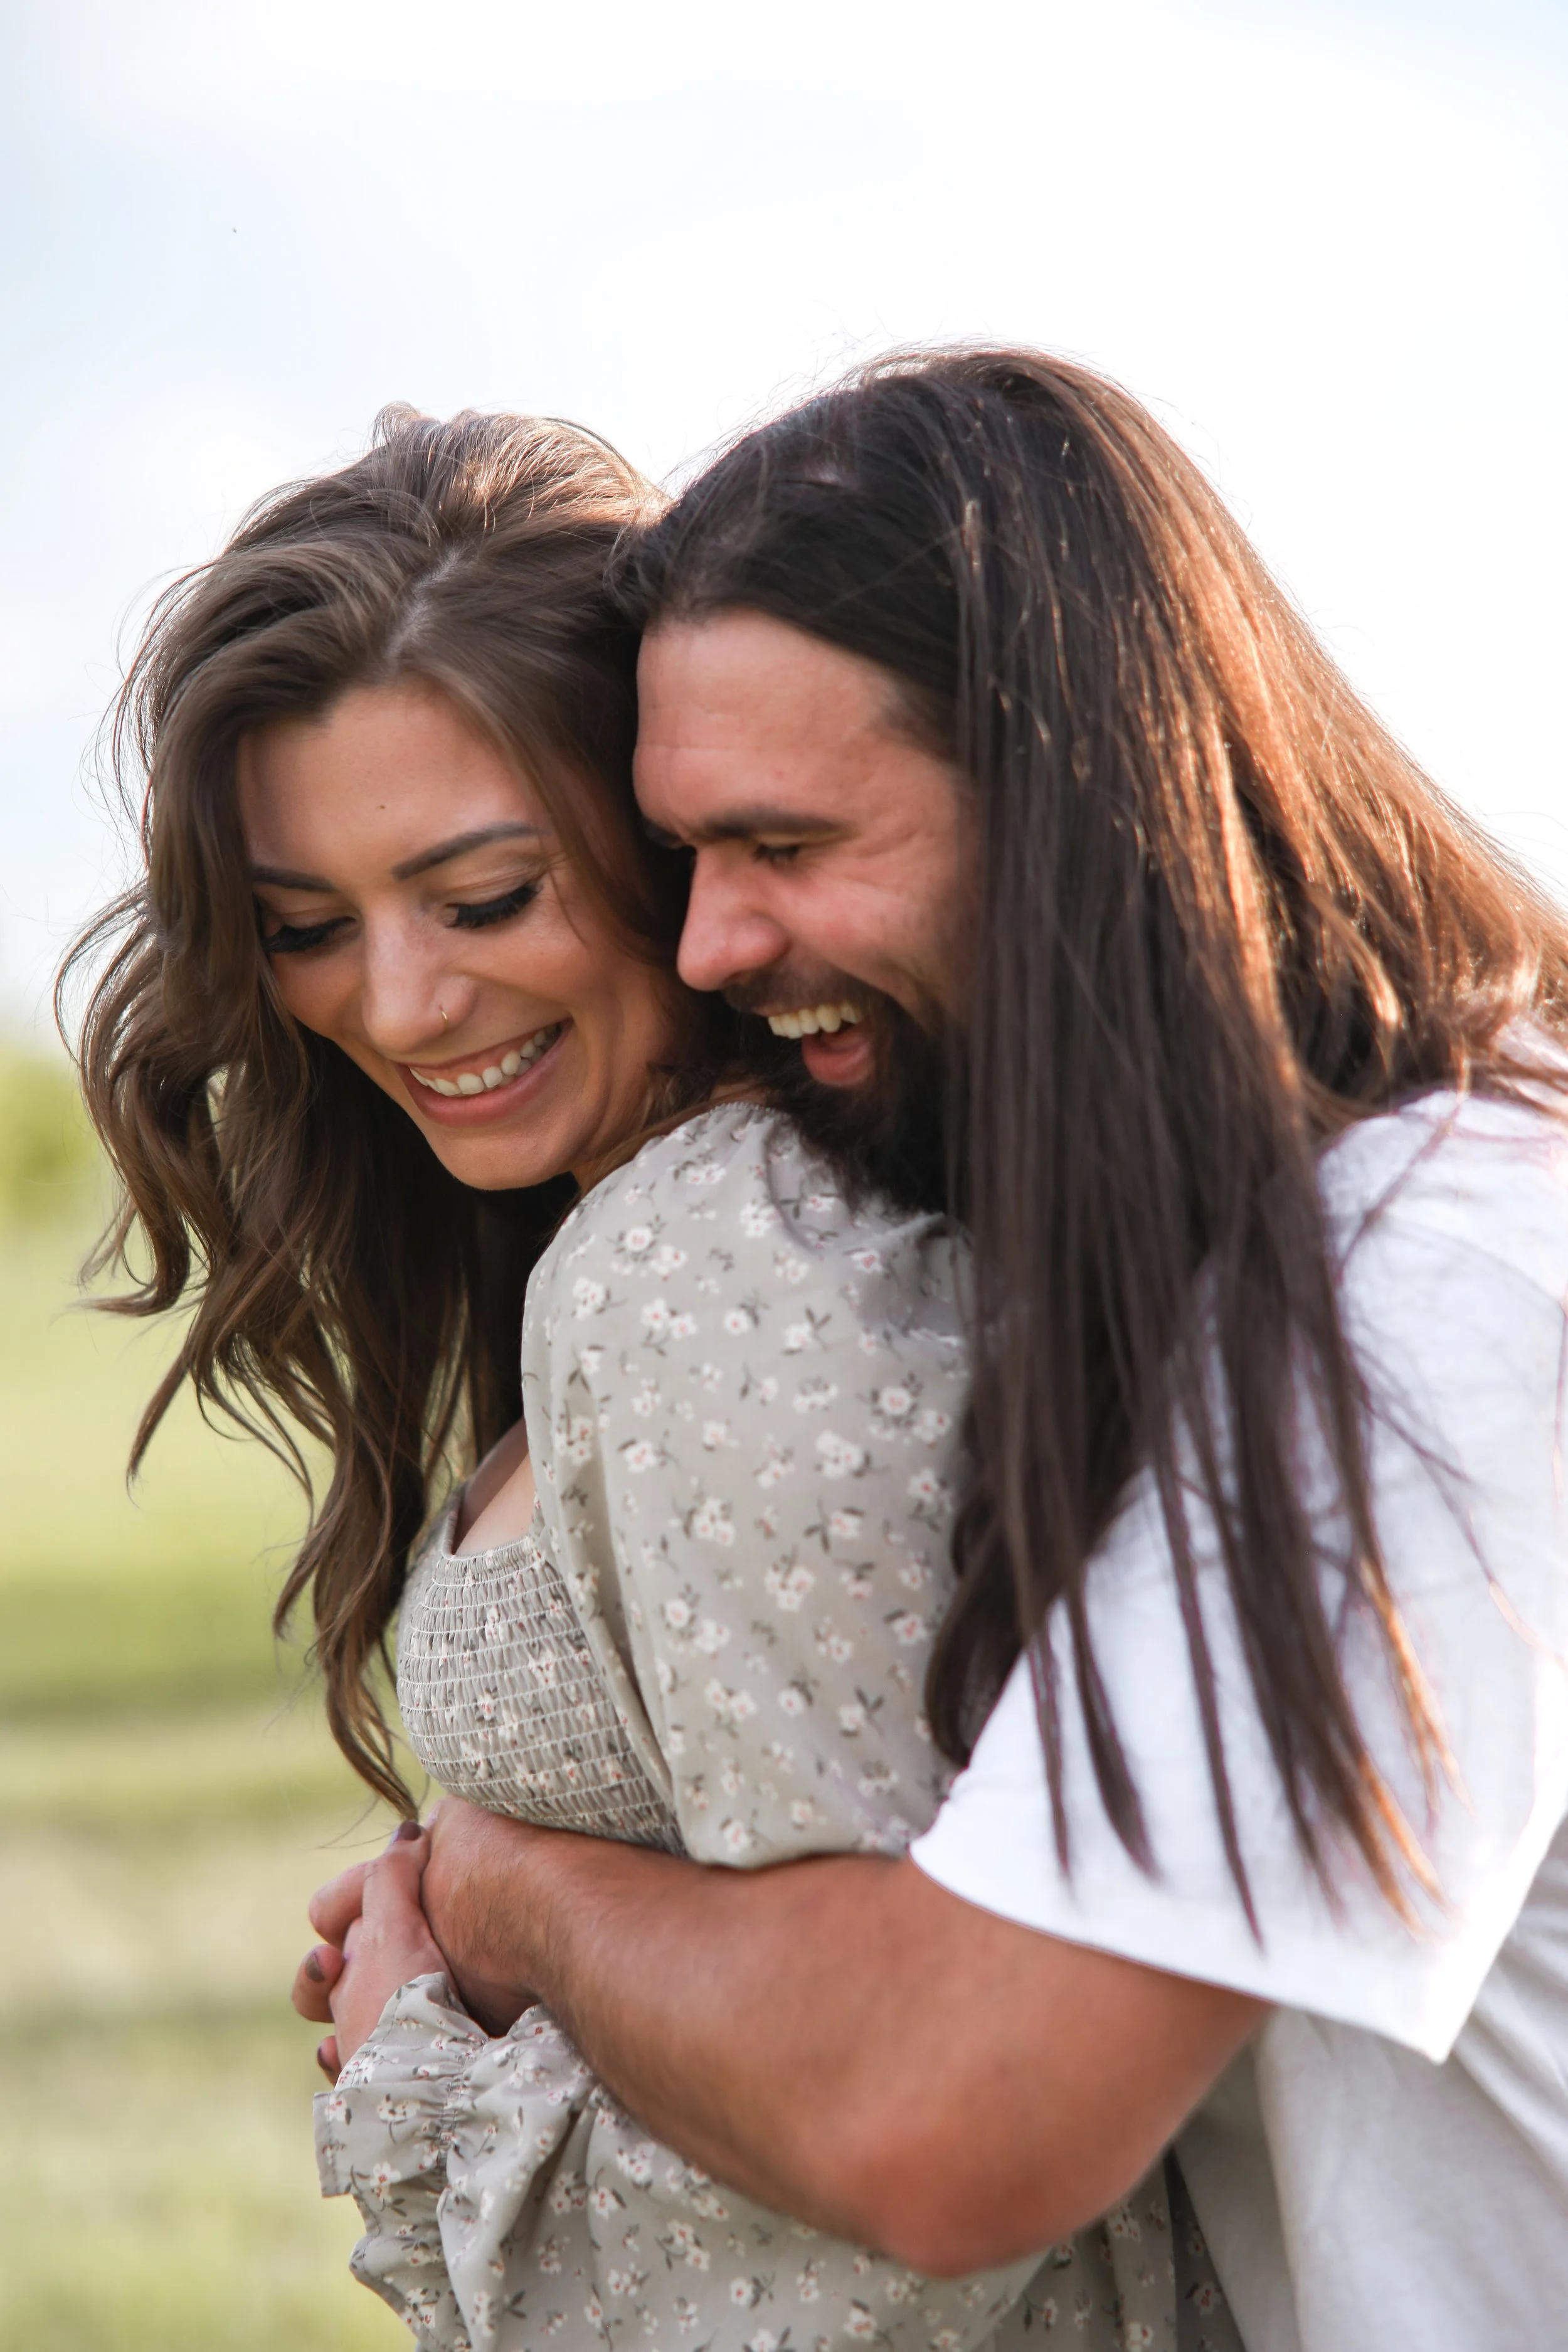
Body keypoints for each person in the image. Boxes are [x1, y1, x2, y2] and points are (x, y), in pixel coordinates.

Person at [301, 349, 1568, 2352]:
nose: (707, 946)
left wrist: (503, 1890)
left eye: (785, 848)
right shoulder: (1217, 1247)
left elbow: (950, 2119)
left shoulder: (1443, 1286)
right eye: (682, 860)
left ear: (1087, 807)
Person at [65, 406, 1221, 2351]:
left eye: (484, 894)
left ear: (658, 819)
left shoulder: (705, 1254)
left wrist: (424, 2067)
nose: (402, 1004)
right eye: (304, 929)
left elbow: (909, 2185)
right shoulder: (651, 1229)